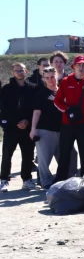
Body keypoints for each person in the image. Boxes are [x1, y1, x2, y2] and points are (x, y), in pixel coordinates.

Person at [30, 67, 77, 189]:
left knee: (72, 154)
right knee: (44, 160)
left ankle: (70, 177)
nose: (50, 80)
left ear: (57, 76)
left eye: (52, 77)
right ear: (43, 79)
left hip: (63, 130)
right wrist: (33, 129)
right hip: (45, 130)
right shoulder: (41, 93)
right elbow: (36, 112)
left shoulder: (62, 91)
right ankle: (46, 182)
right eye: (47, 78)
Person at [54, 55, 84, 181]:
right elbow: (57, 101)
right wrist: (67, 110)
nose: (81, 67)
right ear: (73, 66)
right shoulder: (65, 81)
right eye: (78, 64)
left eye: (83, 65)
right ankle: (60, 181)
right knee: (64, 154)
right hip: (67, 123)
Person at [1, 62, 37, 191]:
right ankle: (4, 180)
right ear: (12, 72)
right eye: (16, 71)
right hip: (11, 128)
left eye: (21, 70)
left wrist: (27, 121)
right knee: (6, 155)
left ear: (26, 71)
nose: (19, 73)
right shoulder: (5, 89)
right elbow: (4, 110)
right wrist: (14, 122)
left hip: (27, 128)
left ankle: (27, 179)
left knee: (28, 155)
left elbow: (35, 108)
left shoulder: (33, 88)